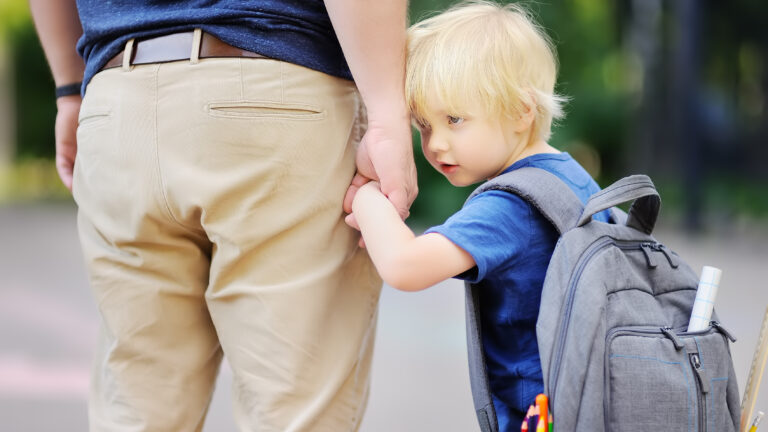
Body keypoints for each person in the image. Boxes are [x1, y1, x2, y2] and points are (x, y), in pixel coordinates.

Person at [28, 0, 417, 431]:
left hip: (117, 104)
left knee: (137, 409)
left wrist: (69, 92)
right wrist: (387, 113)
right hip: (276, 94)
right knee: (294, 413)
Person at [346, 2, 611, 430]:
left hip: (543, 414)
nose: (435, 145)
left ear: (522, 111)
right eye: (424, 125)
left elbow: (405, 267)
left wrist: (368, 198)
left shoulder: (511, 207)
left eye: (455, 119)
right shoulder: (573, 179)